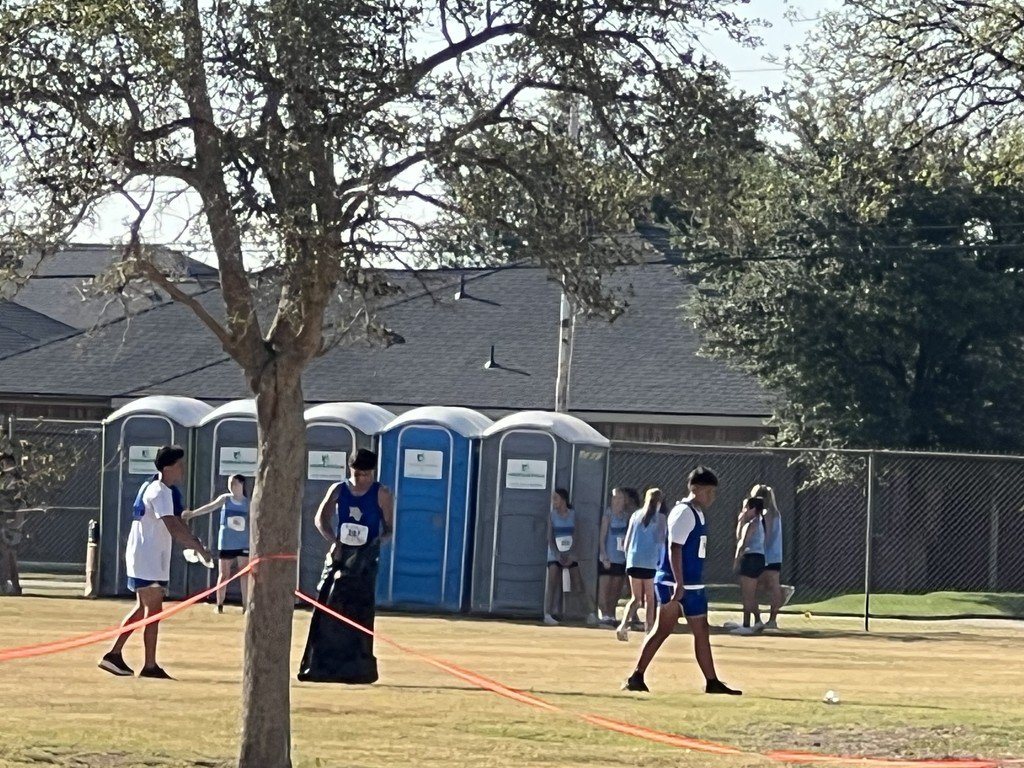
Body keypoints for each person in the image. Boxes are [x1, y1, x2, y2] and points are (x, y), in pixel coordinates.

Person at [622, 466, 741, 695]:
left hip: (693, 583)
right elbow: (674, 548)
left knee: (685, 630)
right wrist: (679, 582)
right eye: (708, 492)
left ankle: (709, 680)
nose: (711, 497)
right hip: (675, 583)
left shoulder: (699, 513)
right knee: (675, 630)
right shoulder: (684, 512)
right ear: (695, 489)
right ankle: (638, 676)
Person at [99, 445, 211, 679]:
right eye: (179, 465)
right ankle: (148, 665)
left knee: (144, 609)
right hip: (148, 556)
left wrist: (194, 542)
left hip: (149, 555)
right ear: (168, 467)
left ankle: (115, 655)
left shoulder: (160, 489)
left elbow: (177, 523)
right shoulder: (159, 491)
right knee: (153, 610)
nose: (182, 469)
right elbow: (172, 526)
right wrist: (199, 548)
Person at [298, 448, 394, 684]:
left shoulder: (382, 493)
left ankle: (358, 668)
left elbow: (389, 528)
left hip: (365, 557)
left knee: (360, 610)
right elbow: (320, 518)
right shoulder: (339, 489)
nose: (361, 479)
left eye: (366, 474)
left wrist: (375, 544)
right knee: (328, 604)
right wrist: (334, 541)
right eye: (357, 474)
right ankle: (319, 665)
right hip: (341, 553)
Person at [182, 474, 251, 613]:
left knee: (244, 574)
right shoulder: (225, 499)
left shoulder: (248, 503)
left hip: (243, 543)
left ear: (242, 485)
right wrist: (193, 513)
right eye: (230, 483)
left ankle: (246, 606)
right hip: (226, 543)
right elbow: (210, 507)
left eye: (235, 484)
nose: (231, 486)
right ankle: (219, 605)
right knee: (224, 574)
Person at [615, 487, 666, 641]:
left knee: (635, 598)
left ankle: (623, 625)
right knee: (650, 598)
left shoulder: (635, 515)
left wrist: (628, 558)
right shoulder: (661, 518)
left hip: (633, 560)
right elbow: (660, 541)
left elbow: (627, 541)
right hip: (649, 561)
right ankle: (649, 630)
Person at [543, 488, 598, 627]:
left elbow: (576, 535)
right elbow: (549, 537)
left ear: (563, 500)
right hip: (555, 555)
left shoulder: (573, 515)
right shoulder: (552, 515)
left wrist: (570, 554)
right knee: (552, 582)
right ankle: (548, 614)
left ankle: (590, 613)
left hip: (571, 555)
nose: (553, 501)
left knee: (578, 584)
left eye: (556, 498)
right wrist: (557, 554)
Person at [597, 487, 635, 626]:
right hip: (608, 559)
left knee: (615, 590)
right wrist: (604, 556)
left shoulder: (626, 517)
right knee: (604, 590)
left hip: (621, 559)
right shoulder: (607, 516)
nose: (616, 501)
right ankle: (604, 614)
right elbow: (602, 538)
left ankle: (611, 615)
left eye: (619, 498)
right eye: (614, 498)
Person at [754, 484, 786, 629]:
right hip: (775, 556)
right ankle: (772, 618)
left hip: (767, 555)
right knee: (770, 585)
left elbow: (766, 536)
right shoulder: (776, 513)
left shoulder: (767, 514)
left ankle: (760, 619)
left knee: (755, 585)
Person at [732, 496, 766, 635]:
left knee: (748, 595)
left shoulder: (753, 523)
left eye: (746, 507)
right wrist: (741, 521)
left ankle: (757, 621)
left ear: (753, 509)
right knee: (747, 593)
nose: (744, 510)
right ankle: (746, 623)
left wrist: (736, 559)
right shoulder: (758, 522)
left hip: (751, 558)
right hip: (757, 558)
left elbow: (742, 542)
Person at [0, 510, 26, 596]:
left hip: (6, 547)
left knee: (10, 560)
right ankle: (4, 586)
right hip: (4, 547)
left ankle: (12, 587)